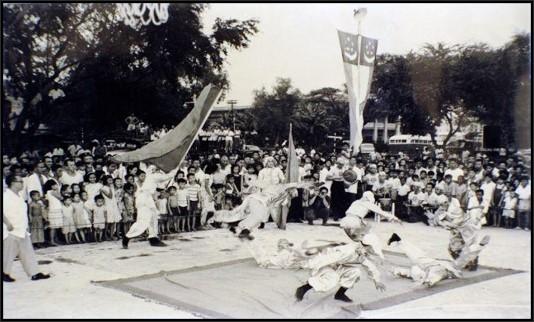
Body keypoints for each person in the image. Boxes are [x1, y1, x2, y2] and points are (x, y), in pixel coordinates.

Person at [387, 233, 490, 287]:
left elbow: (410, 273)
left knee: (418, 257)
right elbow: (436, 275)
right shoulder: (446, 270)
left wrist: (398, 271)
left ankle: (399, 241)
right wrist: (429, 282)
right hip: (444, 267)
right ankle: (399, 241)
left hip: (434, 265)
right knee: (419, 257)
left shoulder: (417, 273)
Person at [3, 174, 50, 282]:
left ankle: (34, 273)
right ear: (13, 183)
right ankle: (4, 273)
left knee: (28, 252)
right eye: (20, 182)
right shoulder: (5, 196)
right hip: (10, 230)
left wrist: (26, 226)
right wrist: (7, 223)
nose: (22, 184)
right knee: (7, 253)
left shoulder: (19, 197)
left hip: (21, 229)